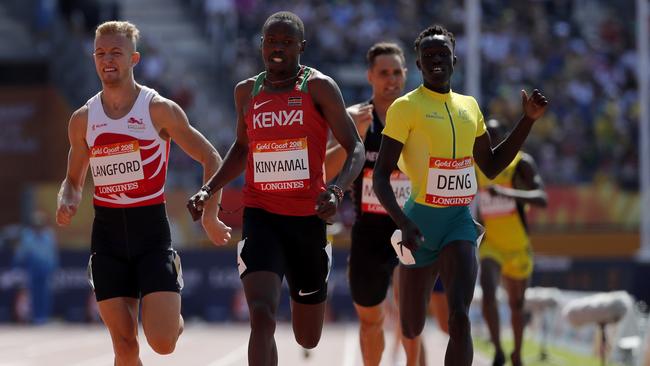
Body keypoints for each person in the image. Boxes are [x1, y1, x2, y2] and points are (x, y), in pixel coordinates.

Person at [187, 11, 364, 366]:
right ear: (261, 45)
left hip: (307, 219)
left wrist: (336, 190)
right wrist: (209, 189)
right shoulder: (246, 91)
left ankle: (319, 267)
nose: (278, 49)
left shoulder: (318, 87)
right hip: (261, 215)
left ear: (302, 46)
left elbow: (355, 147)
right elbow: (240, 149)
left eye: (286, 42)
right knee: (261, 316)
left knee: (307, 336)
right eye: (271, 42)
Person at [55, 20, 231, 365]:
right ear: (93, 58)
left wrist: (210, 215)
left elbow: (211, 157)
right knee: (124, 347)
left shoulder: (157, 109)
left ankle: (172, 319)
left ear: (134, 58)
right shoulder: (82, 119)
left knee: (163, 343)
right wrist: (69, 197)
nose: (108, 60)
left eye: (116, 53)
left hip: (150, 232)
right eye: (101, 53)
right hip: (106, 238)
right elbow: (72, 180)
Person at [373, 24, 548, 366]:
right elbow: (381, 176)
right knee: (412, 325)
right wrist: (403, 222)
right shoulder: (405, 108)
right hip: (418, 224)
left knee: (460, 318)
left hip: (458, 222)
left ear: (454, 59)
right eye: (428, 56)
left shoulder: (469, 107)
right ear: (420, 65)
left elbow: (493, 164)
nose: (436, 60)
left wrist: (526, 121)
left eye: (442, 54)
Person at [326, 42, 430, 366]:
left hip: (409, 229)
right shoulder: (356, 118)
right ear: (370, 76)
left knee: (409, 318)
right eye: (384, 73)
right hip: (368, 235)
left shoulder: (420, 118)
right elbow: (325, 170)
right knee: (371, 322)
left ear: (406, 74)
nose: (392, 79)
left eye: (397, 72)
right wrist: (353, 137)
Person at [477, 118, 548, 366]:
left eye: (497, 138)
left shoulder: (521, 163)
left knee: (517, 305)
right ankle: (497, 350)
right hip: (492, 246)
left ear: (506, 139)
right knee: (487, 291)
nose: (492, 144)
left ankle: (516, 354)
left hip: (518, 247)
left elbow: (541, 198)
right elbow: (482, 207)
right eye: (488, 138)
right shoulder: (480, 166)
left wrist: (506, 192)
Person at [12, 211, 58, 324]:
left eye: (40, 224)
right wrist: (17, 261)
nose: (38, 227)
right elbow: (22, 251)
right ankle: (35, 315)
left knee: (45, 293)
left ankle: (43, 316)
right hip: (33, 268)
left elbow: (53, 252)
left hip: (46, 268)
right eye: (36, 225)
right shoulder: (27, 235)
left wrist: (54, 266)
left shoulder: (49, 235)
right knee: (33, 293)